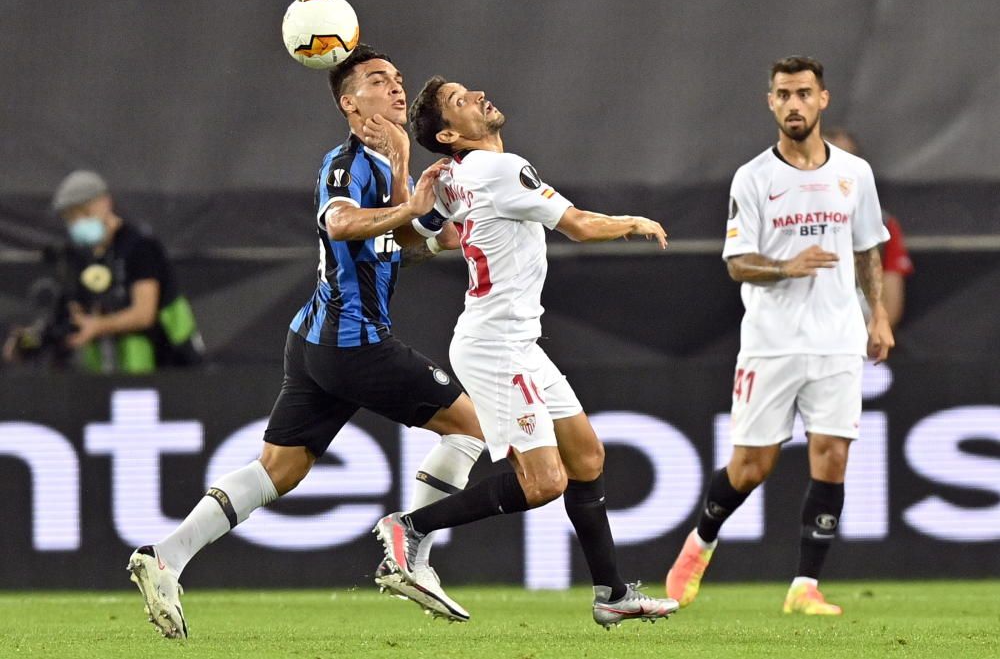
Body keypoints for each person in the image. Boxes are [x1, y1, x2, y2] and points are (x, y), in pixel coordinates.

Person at [125, 45, 486, 639]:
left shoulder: (388, 161)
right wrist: (411, 201)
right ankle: (410, 551)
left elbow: (406, 244)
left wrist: (431, 215)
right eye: (377, 81)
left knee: (279, 468)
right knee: (473, 427)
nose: (396, 89)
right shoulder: (347, 163)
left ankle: (166, 556)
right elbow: (340, 223)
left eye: (397, 80)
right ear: (350, 103)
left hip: (316, 341)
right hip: (354, 342)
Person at [371, 75, 678, 629]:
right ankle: (410, 527)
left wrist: (418, 199)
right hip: (495, 346)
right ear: (448, 135)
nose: (479, 96)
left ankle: (611, 593)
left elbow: (420, 240)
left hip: (517, 341)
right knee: (545, 481)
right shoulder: (499, 169)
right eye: (461, 102)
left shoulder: (457, 177)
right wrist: (632, 222)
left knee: (586, 456)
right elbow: (580, 227)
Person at [664, 56, 895, 615]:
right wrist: (789, 266)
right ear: (771, 102)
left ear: (823, 100)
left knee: (833, 453)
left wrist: (877, 313)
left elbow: (867, 248)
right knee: (751, 467)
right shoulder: (754, 178)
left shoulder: (853, 174)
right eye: (784, 94)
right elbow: (738, 264)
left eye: (803, 94)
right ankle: (699, 543)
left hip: (837, 337)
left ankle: (804, 588)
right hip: (772, 341)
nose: (794, 104)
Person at [2, 170, 203, 373]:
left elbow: (144, 314)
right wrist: (31, 341)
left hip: (170, 365)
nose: (77, 222)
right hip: (114, 373)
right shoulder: (79, 258)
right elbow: (70, 319)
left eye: (83, 212)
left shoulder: (140, 246)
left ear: (105, 202)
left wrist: (98, 326)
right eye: (70, 217)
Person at [824, 127, 914, 329]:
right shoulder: (783, 218)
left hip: (858, 342)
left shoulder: (882, 223)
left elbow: (891, 307)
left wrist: (860, 344)